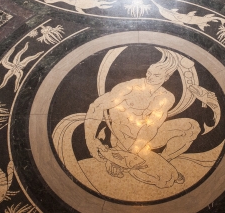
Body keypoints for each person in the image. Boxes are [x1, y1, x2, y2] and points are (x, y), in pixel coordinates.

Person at [83, 48, 203, 188]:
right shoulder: (130, 88)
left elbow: (151, 126)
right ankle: (129, 159)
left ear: (166, 77)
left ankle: (161, 161)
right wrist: (90, 141)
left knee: (191, 127)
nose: (150, 77)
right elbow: (96, 107)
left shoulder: (166, 97)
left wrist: (135, 152)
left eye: (157, 75)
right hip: (124, 138)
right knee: (167, 179)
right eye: (149, 73)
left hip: (145, 137)